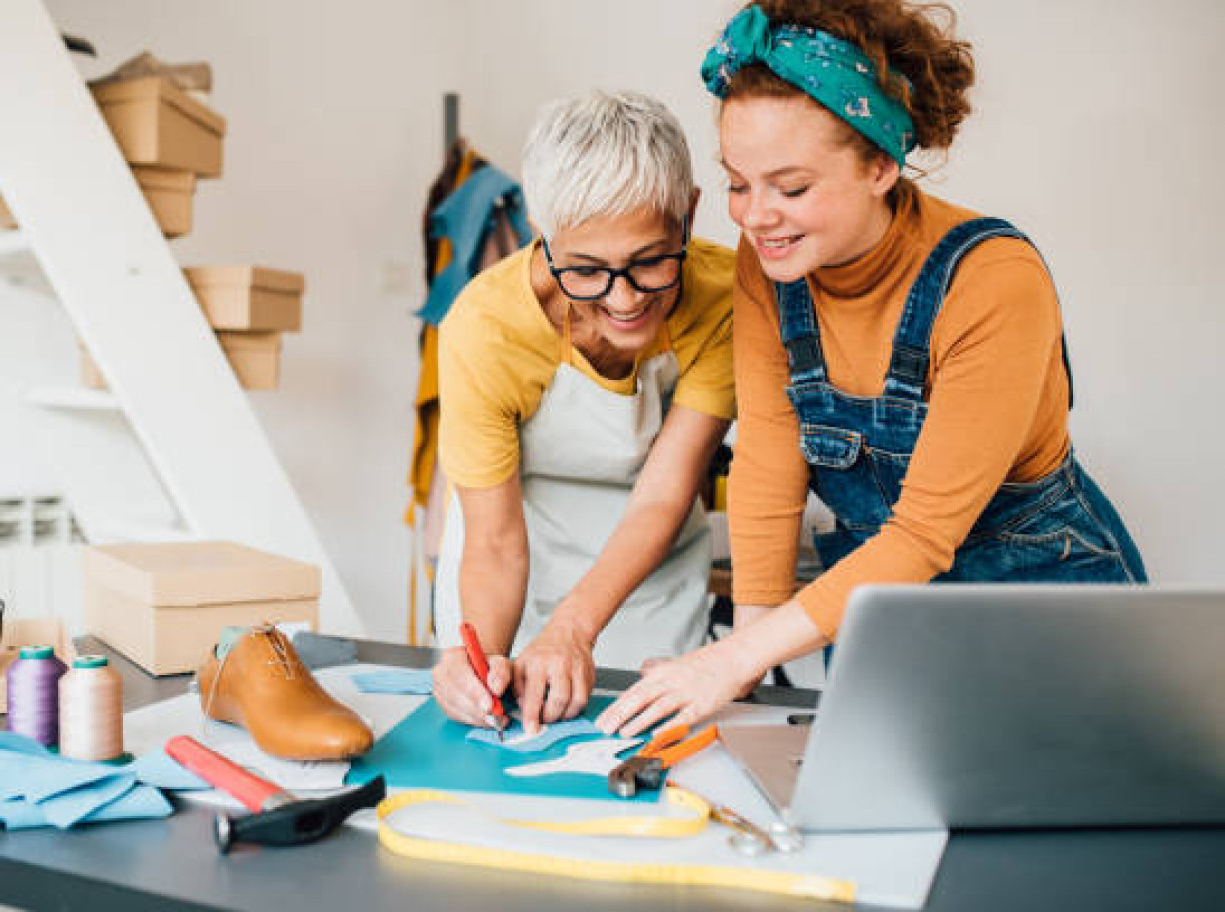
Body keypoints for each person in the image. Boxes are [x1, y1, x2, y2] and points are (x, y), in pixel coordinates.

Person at [598, 0, 1147, 737]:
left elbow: (922, 535)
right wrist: (747, 673)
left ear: (880, 165)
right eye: (738, 182)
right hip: (890, 612)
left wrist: (733, 658)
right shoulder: (775, 267)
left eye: (790, 188)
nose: (756, 217)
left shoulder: (991, 281)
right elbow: (767, 452)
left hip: (1045, 609)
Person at [431, 91, 736, 734]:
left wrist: (573, 627)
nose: (623, 299)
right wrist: (483, 666)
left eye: (651, 261)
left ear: (688, 216)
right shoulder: (485, 329)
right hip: (512, 547)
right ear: (545, 238)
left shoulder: (725, 300)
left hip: (650, 564)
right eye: (588, 271)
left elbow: (666, 490)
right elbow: (492, 541)